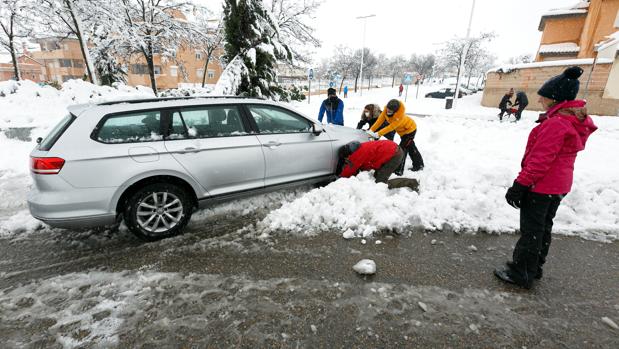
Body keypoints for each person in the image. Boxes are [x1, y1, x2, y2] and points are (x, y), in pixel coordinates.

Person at [494, 66, 597, 289]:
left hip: (541, 186)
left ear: (554, 98)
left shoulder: (556, 124)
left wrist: (520, 185)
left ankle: (521, 273)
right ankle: (534, 267)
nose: (540, 100)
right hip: (558, 185)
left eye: (544, 96)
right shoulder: (570, 120)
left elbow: (540, 161)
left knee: (532, 230)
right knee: (543, 228)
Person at [337, 140, 419, 192]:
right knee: (376, 175)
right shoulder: (360, 147)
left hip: (395, 155)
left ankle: (412, 182)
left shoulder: (358, 154)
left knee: (380, 183)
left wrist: (340, 179)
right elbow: (366, 163)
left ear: (349, 154)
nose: (347, 160)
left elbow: (350, 170)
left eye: (346, 158)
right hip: (392, 149)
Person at [369, 99, 424, 174]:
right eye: (387, 110)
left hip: (410, 131)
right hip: (402, 132)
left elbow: (391, 127)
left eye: (390, 111)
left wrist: (378, 134)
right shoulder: (386, 110)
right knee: (411, 147)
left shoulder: (399, 116)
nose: (388, 112)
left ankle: (399, 170)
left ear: (395, 111)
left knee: (402, 150)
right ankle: (419, 164)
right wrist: (371, 130)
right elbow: (379, 121)